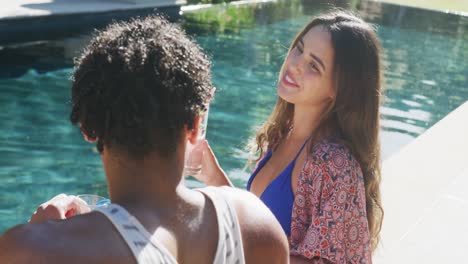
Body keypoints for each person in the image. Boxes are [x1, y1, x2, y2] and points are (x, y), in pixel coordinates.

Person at [0, 16, 289, 264]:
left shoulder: (36, 249)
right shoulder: (255, 223)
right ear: (195, 125)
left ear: (88, 128)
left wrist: (39, 231)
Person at [195, 10, 384, 263]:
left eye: (313, 66)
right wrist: (213, 176)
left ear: (338, 89)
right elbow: (257, 227)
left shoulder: (334, 164)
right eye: (299, 49)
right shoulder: (283, 134)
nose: (294, 64)